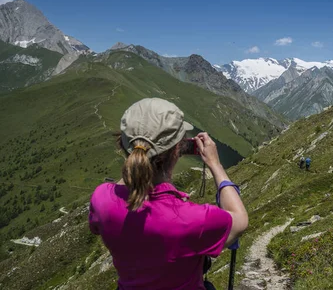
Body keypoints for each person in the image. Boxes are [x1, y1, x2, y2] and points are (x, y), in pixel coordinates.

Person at [88, 98, 248, 290]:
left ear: (124, 146)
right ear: (176, 152)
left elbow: (98, 224)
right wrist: (215, 164)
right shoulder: (190, 219)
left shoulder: (101, 198)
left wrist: (140, 163)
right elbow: (240, 220)